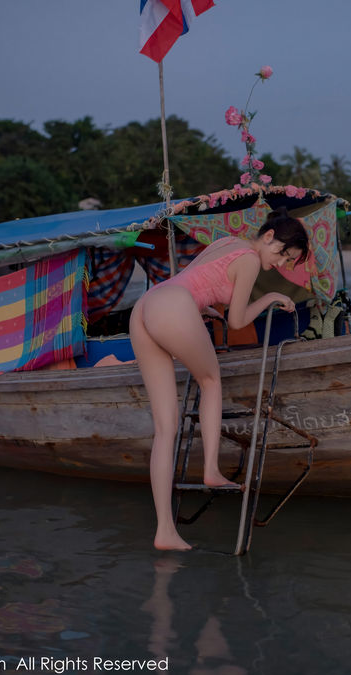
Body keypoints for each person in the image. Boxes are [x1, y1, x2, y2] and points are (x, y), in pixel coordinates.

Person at [129, 210, 310, 551]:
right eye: (283, 254)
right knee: (211, 380)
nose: (282, 263)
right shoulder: (251, 260)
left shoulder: (228, 243)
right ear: (268, 236)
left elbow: (197, 279)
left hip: (147, 307)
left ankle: (165, 531)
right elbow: (239, 321)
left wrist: (200, 306)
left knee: (166, 429)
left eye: (290, 261)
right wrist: (270, 298)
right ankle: (211, 469)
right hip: (172, 307)